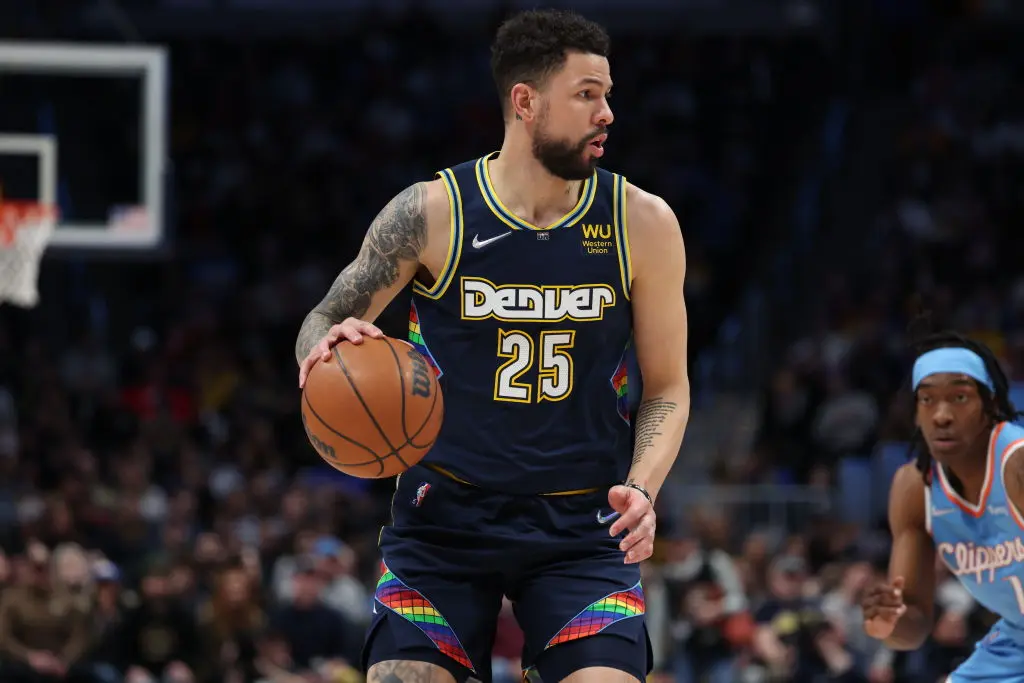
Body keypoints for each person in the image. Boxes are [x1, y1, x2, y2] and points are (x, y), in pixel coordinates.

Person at [295, 9, 690, 683]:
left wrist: (642, 487)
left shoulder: (642, 222)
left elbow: (668, 387)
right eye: (588, 94)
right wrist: (326, 341)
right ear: (526, 102)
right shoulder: (431, 212)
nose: (608, 113)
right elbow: (324, 314)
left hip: (580, 524)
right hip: (444, 518)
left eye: (609, 94)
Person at [862, 331, 1024, 682]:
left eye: (960, 397)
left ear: (990, 405)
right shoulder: (914, 487)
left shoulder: (1017, 463)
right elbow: (914, 624)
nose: (942, 415)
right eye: (927, 400)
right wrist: (887, 623)